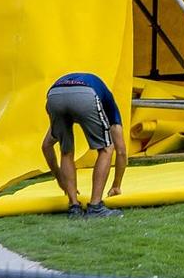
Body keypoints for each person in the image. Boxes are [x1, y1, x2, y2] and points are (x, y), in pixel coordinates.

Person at [41, 71, 128, 217]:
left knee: (66, 150)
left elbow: (46, 146)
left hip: (54, 95)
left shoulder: (89, 91)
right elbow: (121, 151)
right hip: (85, 94)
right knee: (107, 148)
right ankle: (95, 207)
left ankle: (74, 207)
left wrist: (60, 179)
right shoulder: (110, 106)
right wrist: (116, 185)